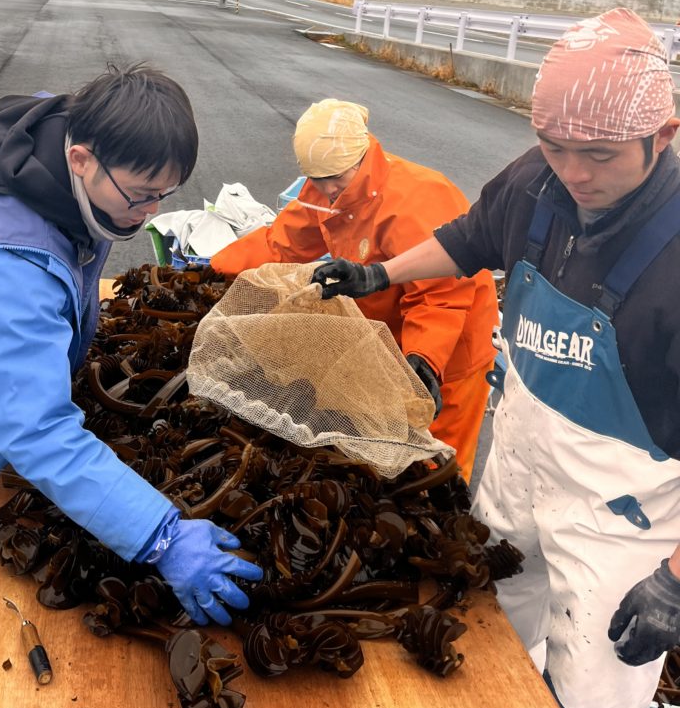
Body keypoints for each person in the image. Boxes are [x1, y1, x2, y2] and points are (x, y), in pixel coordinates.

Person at [312, 8, 680, 708]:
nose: (575, 172)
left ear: (664, 135)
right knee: (478, 647)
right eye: (555, 147)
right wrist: (381, 276)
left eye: (600, 156)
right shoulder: (536, 182)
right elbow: (472, 236)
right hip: (516, 472)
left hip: (620, 522)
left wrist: (678, 582)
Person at [0, 64, 262, 696]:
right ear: (82, 159)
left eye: (166, 192)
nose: (152, 212)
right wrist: (161, 537)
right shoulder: (6, 265)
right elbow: (37, 432)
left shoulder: (57, 135)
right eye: (141, 195)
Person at [210, 99, 499, 481]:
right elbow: (281, 245)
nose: (327, 190)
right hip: (391, 339)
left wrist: (426, 360)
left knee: (436, 468)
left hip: (453, 346)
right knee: (387, 453)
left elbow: (439, 298)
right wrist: (215, 269)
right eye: (316, 179)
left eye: (336, 178)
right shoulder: (324, 190)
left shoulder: (417, 198)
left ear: (360, 158)